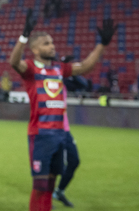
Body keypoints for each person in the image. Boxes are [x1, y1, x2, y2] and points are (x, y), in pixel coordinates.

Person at [8, 9, 116, 211]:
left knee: (50, 184)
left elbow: (84, 66)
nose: (52, 46)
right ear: (35, 49)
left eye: (52, 42)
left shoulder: (59, 68)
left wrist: (102, 45)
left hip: (60, 134)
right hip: (41, 134)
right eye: (46, 43)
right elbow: (14, 62)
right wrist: (24, 36)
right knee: (39, 185)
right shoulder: (30, 68)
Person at [53, 57, 89, 208]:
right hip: (50, 128)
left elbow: (83, 84)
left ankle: (59, 191)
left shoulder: (64, 80)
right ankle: (47, 196)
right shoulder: (48, 79)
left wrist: (71, 71)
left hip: (65, 129)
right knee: (53, 165)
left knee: (74, 161)